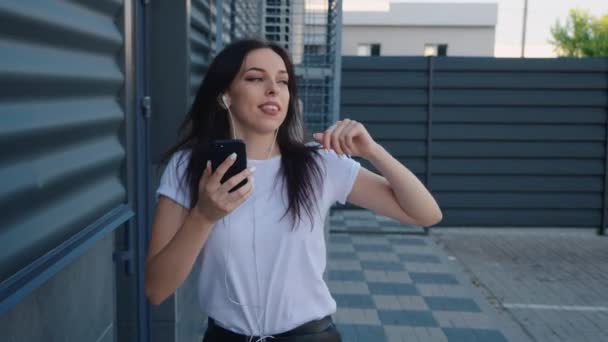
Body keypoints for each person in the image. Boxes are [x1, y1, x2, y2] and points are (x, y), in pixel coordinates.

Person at [144, 38, 442, 342]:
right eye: (255, 78)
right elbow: (156, 289)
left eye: (283, 81)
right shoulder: (189, 167)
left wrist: (374, 151)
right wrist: (204, 216)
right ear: (225, 96)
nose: (273, 89)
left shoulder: (319, 164)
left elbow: (426, 214)